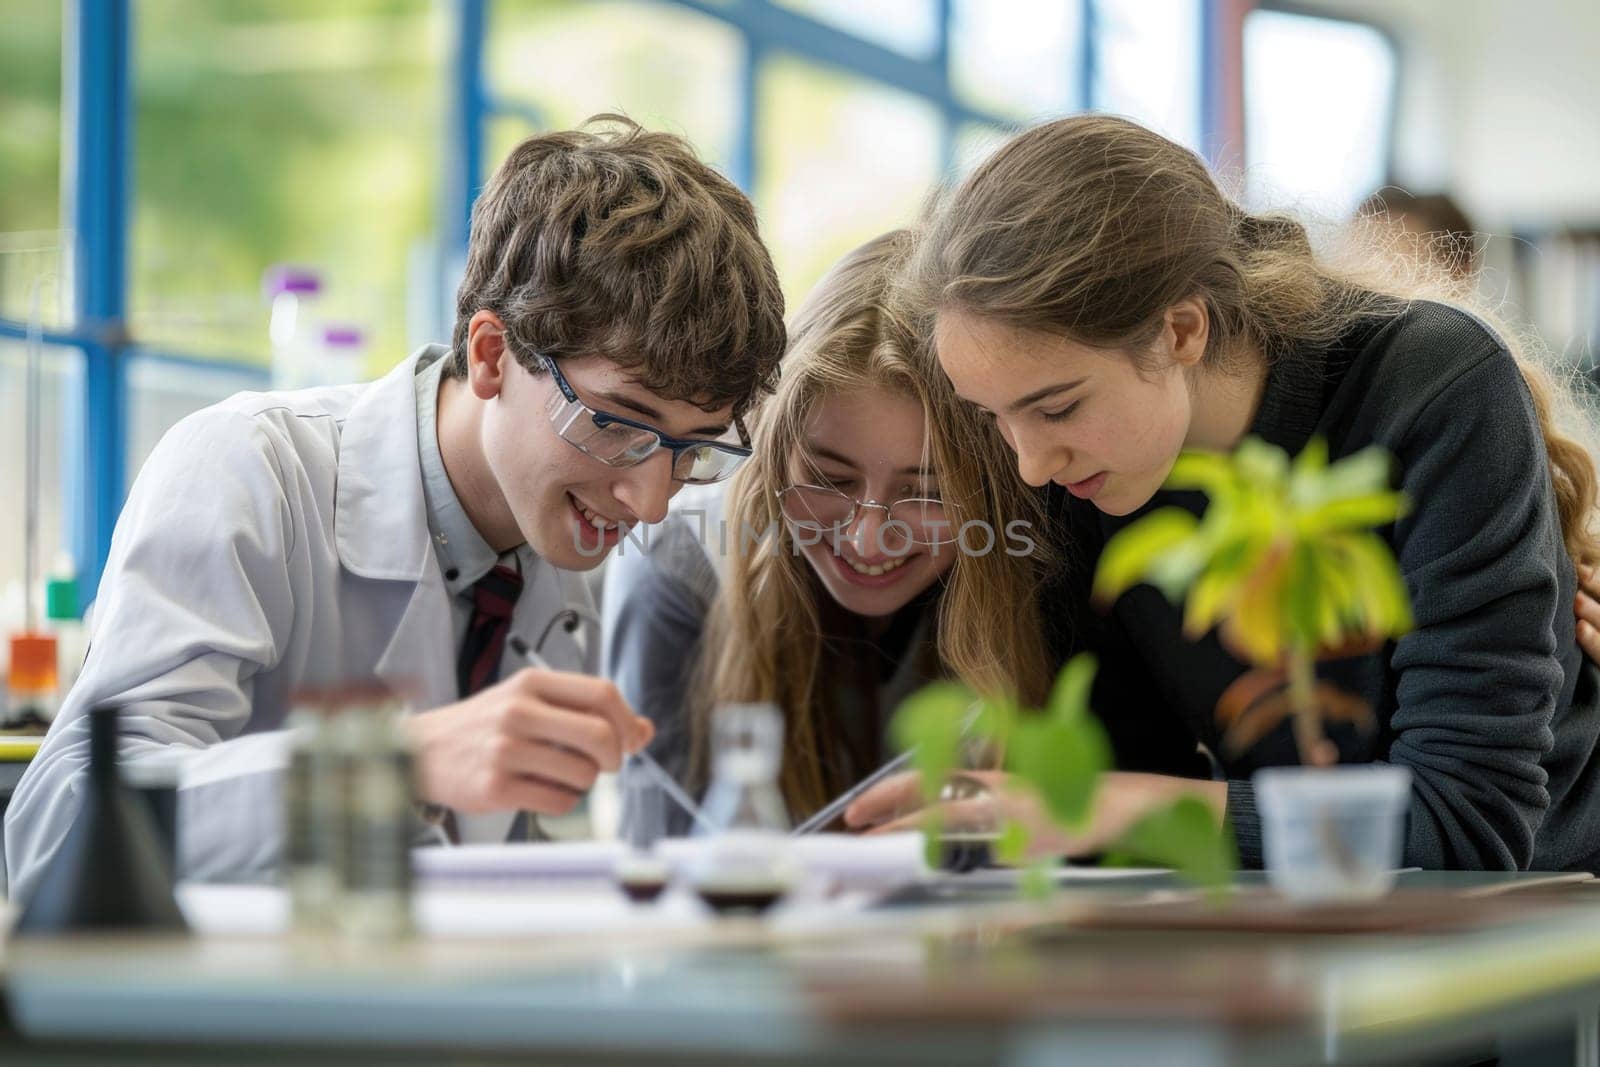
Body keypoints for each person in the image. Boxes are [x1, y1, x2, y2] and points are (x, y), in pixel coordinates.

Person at [5, 116, 787, 897]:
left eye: (693, 450)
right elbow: (57, 827)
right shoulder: (250, 469)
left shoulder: (565, 550)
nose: (649, 503)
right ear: (491, 354)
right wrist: (389, 764)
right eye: (617, 425)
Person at [849, 114, 1600, 872]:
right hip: (1303, 918)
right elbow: (1136, 804)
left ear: (1181, 329)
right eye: (995, 417)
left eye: (1057, 407)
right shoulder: (1087, 471)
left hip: (1544, 918)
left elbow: (1465, 828)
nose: (1030, 466)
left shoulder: (1432, 389)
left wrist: (1105, 808)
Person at [602, 231, 1052, 831]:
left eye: (925, 494)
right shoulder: (679, 572)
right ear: (773, 453)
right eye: (829, 478)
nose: (869, 538)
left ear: (992, 486)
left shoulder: (1037, 563)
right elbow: (662, 869)